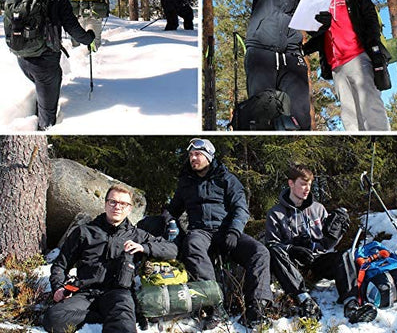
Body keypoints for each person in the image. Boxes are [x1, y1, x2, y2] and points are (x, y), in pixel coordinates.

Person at [206, 0, 326, 130]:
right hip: (261, 55)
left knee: (300, 118)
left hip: (292, 57)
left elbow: (314, 29)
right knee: (262, 116)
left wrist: (323, 24)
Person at [162, 138, 273, 329]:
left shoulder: (226, 179)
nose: (193, 158)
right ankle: (216, 307)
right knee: (192, 244)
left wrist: (234, 231)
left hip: (226, 231)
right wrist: (169, 220)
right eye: (190, 155)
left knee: (260, 252)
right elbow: (173, 209)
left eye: (197, 154)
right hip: (200, 231)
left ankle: (257, 307)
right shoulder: (185, 182)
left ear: (209, 156)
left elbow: (241, 208)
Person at [43, 184, 178, 333]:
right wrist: (58, 287)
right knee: (53, 318)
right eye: (112, 202)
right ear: (105, 204)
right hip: (84, 293)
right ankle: (105, 317)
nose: (117, 207)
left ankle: (115, 317)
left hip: (119, 295)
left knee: (123, 326)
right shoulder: (84, 232)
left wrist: (143, 248)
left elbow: (172, 249)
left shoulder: (138, 235)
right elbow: (60, 266)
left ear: (129, 208)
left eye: (123, 204)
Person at [265, 163, 378, 323]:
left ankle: (351, 306)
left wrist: (336, 235)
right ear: (291, 183)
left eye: (309, 185)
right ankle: (305, 300)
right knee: (275, 252)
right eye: (303, 184)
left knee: (345, 255)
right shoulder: (275, 214)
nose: (307, 189)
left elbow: (328, 244)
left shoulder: (318, 208)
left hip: (318, 259)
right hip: (293, 266)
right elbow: (271, 244)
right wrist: (292, 249)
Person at [303, 0, 390, 131]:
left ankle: (380, 143)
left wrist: (374, 53)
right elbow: (317, 34)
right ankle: (360, 152)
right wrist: (304, 49)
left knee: (371, 110)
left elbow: (370, 21)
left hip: (359, 58)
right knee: (349, 117)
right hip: (336, 65)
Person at [15, 0, 95, 131]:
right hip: (44, 62)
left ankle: (38, 109)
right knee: (47, 116)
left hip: (21, 57)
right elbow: (74, 29)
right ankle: (43, 129)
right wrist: (89, 38)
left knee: (50, 81)